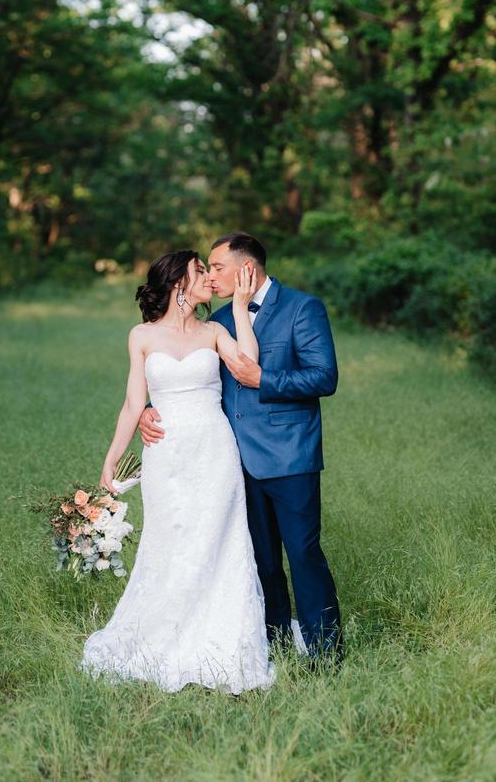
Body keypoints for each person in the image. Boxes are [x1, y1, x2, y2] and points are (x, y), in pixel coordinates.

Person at [139, 233, 343, 663]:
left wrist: (264, 380)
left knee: (304, 555)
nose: (210, 278)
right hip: (230, 460)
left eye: (216, 268)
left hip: (290, 456)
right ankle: (276, 642)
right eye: (207, 270)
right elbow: (190, 375)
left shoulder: (301, 308)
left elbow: (324, 377)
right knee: (260, 559)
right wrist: (148, 409)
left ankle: (325, 650)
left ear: (246, 268)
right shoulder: (220, 322)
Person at [81, 249, 275, 693]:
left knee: (218, 541)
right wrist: (111, 458)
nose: (208, 276)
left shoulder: (215, 330)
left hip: (214, 451)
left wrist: (242, 309)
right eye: (200, 270)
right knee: (169, 540)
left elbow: (248, 366)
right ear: (177, 284)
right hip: (165, 457)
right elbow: (134, 402)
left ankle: (219, 637)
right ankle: (161, 633)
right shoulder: (142, 336)